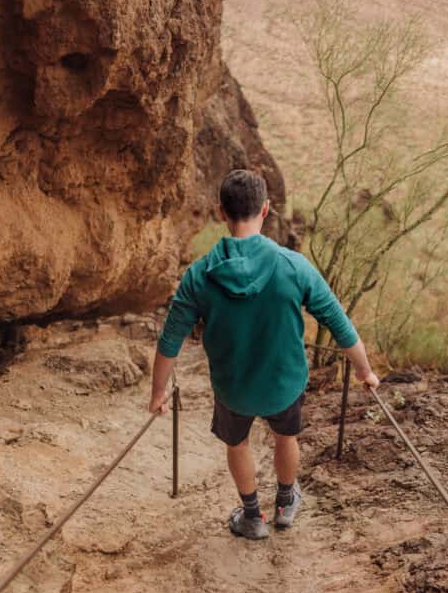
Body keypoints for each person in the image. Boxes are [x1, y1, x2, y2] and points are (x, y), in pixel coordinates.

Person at [148, 169, 379, 540]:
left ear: (221, 212)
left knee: (237, 444)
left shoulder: (200, 275)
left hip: (233, 388)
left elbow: (169, 342)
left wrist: (158, 393)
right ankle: (286, 504)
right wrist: (366, 373)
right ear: (266, 209)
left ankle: (253, 518)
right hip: (284, 384)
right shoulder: (294, 266)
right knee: (286, 438)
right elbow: (340, 325)